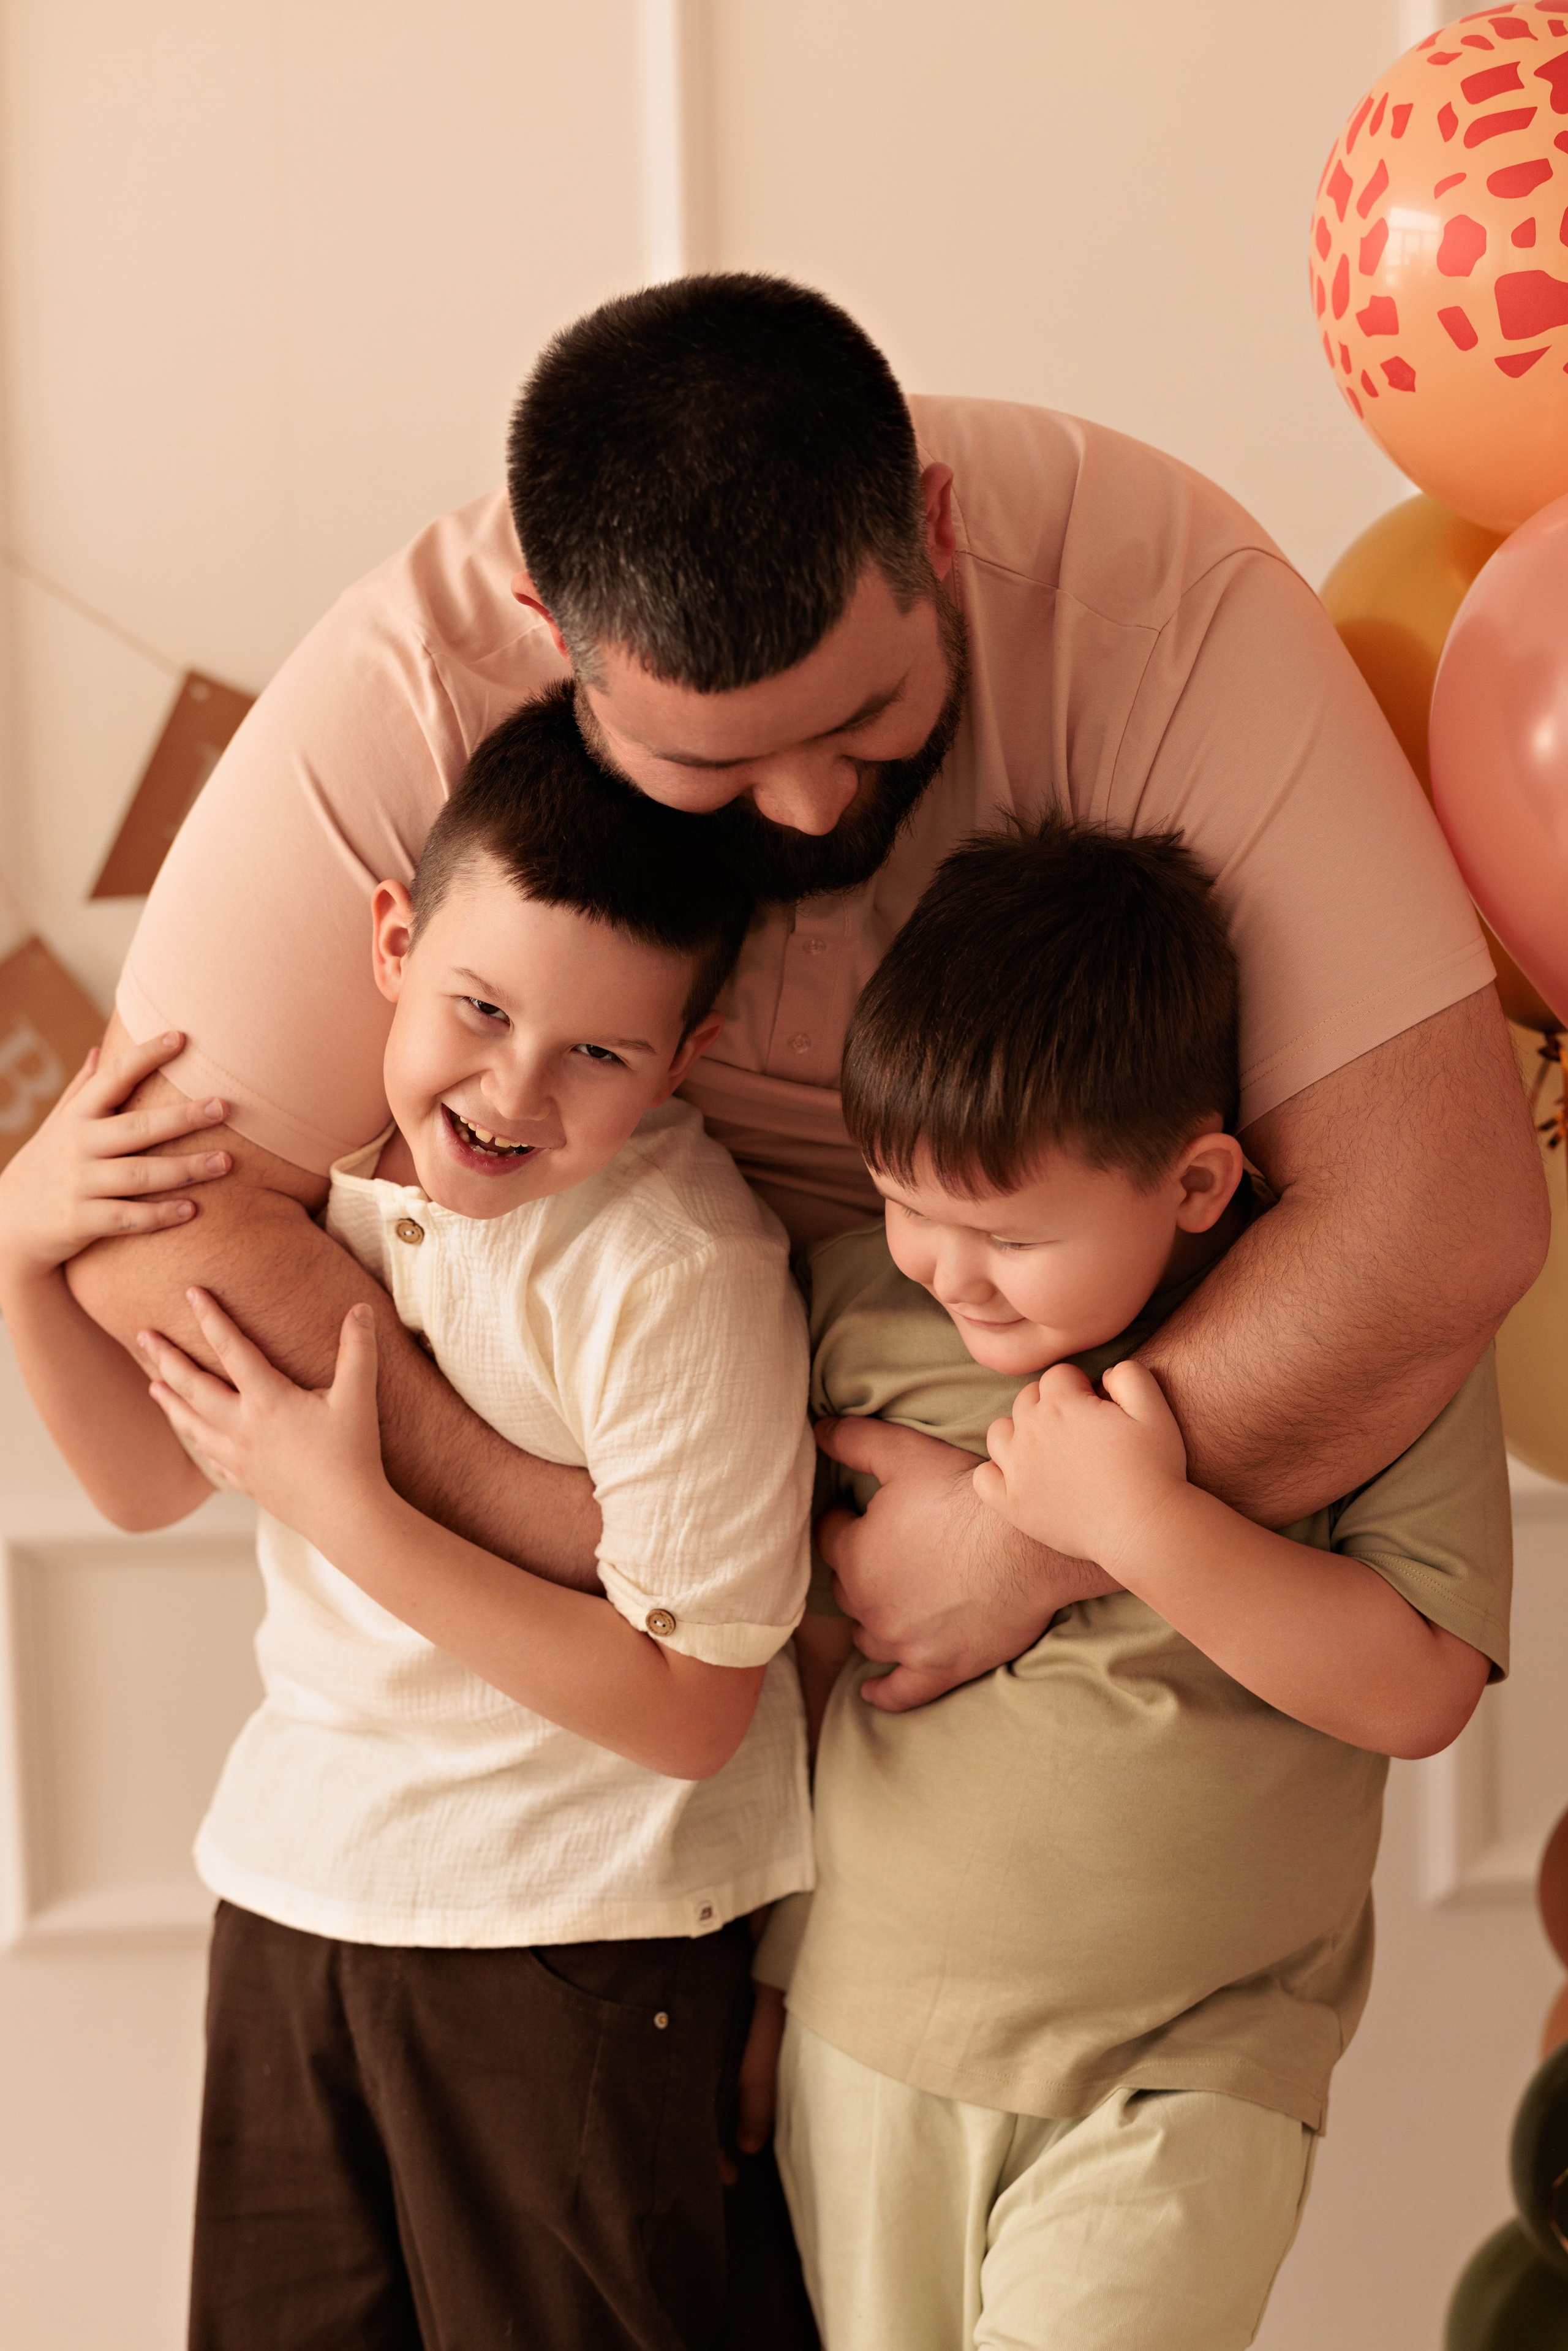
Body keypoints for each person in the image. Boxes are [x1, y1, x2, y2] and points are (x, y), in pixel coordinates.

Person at [58, 273, 1542, 1730]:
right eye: (708, 766)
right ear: (550, 634)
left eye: (865, 716)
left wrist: (1014, 1544)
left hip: (1064, 1602)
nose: (814, 802)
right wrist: (615, 1533)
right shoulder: (411, 684)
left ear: (934, 534)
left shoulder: (1160, 597)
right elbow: (155, 1221)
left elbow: (1441, 1210)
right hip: (609, 1676)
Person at [0, 687, 817, 2351]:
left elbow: (692, 1701)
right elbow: (147, 1479)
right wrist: (20, 1248)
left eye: (598, 1050)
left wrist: (348, 1508)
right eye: (479, 1005)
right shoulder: (327, 1186)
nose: (514, 1088)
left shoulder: (676, 1269)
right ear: (391, 938)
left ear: (687, 1059)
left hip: (580, 1927)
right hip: (303, 1889)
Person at [763, 815, 1508, 2351]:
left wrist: (1134, 1521)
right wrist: (766, 1990)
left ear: (1193, 1180)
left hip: (1189, 2063)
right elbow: (806, 1661)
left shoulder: (1363, 1331)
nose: (941, 1267)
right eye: (903, 1200)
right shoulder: (850, 1307)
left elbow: (1422, 1684)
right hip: (870, 2035)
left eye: (1004, 1232)